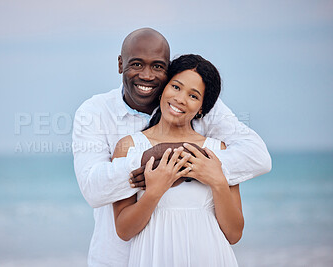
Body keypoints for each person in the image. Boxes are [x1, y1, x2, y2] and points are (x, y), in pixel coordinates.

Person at [72, 28, 271, 266]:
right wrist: (148, 163)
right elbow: (93, 189)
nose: (147, 75)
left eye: (157, 66)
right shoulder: (97, 114)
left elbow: (258, 157)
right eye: (137, 64)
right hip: (122, 257)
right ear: (120, 64)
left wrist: (205, 169)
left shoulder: (211, 132)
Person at [113, 54, 242, 266]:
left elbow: (234, 234)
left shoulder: (217, 150)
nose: (181, 99)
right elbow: (124, 230)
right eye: (176, 87)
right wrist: (154, 191)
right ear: (163, 88)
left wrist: (217, 182)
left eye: (193, 96)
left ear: (202, 107)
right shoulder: (129, 147)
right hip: (154, 257)